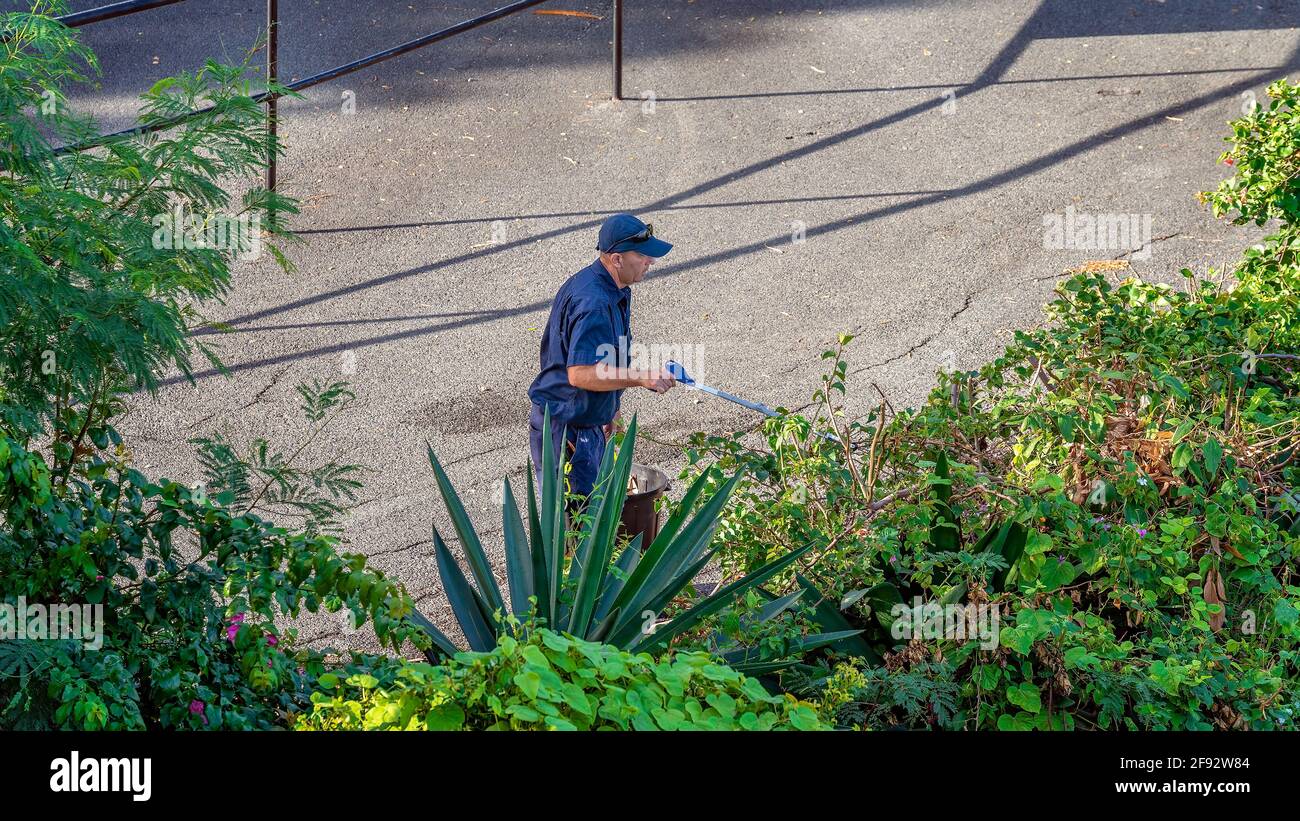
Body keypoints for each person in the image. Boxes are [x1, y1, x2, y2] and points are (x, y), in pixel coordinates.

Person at [527, 213, 677, 497]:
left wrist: (612, 407)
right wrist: (643, 377)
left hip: (590, 422)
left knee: (593, 518)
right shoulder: (593, 302)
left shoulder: (617, 288)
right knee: (576, 527)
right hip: (567, 429)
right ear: (617, 259)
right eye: (643, 255)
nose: (651, 262)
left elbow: (610, 355)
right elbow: (580, 373)